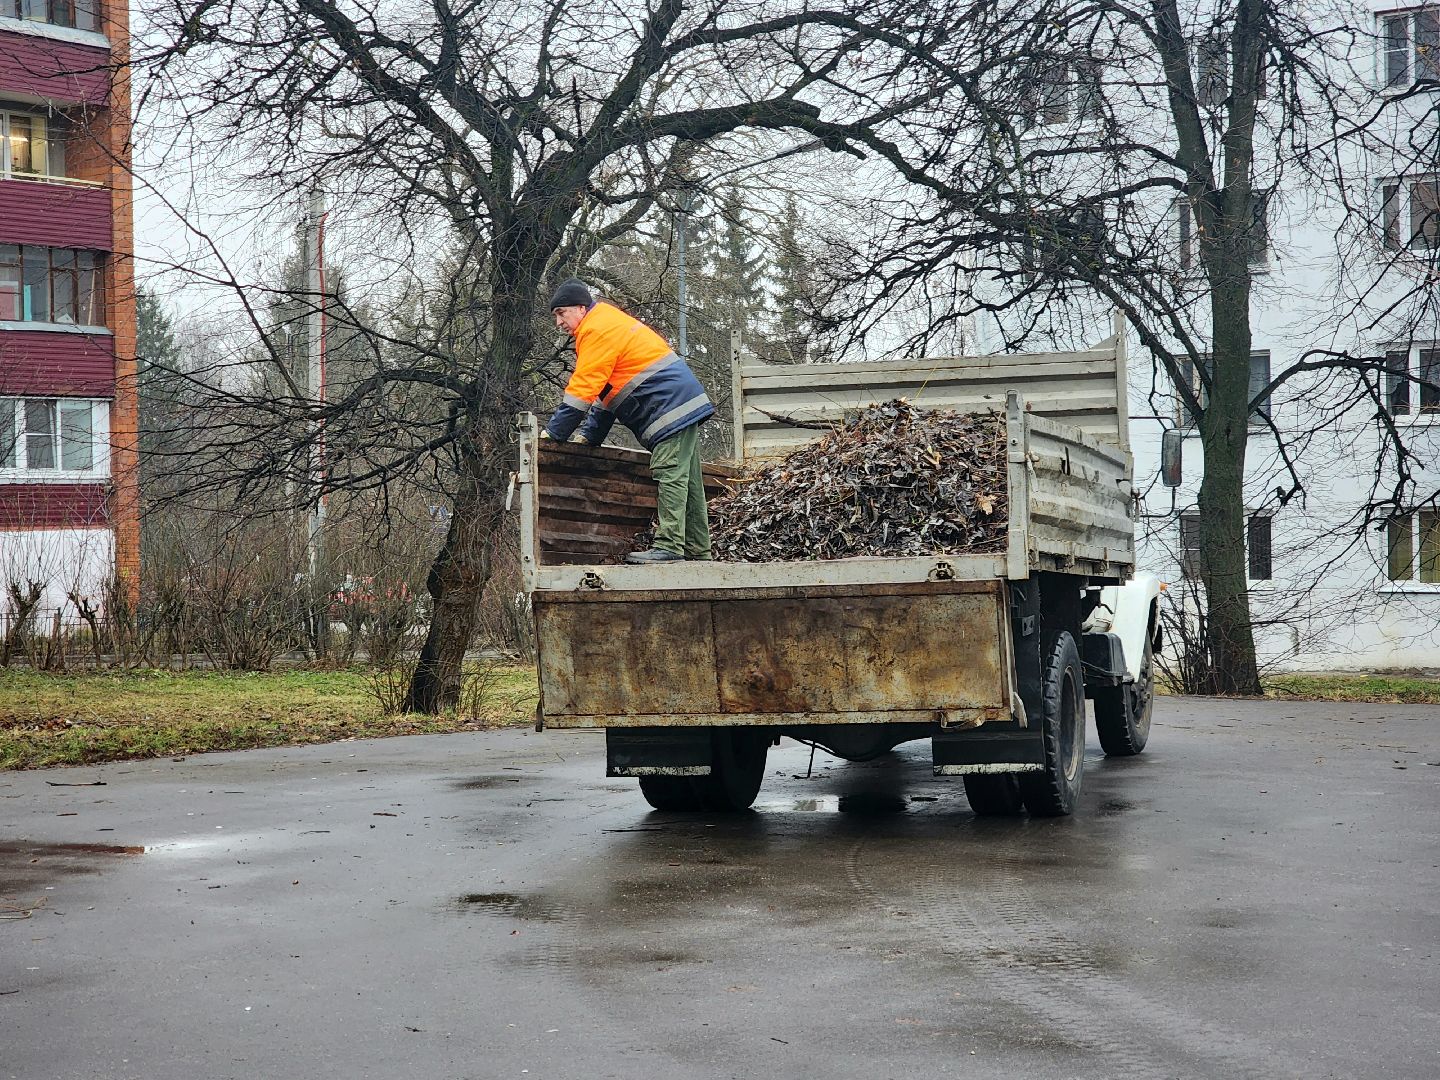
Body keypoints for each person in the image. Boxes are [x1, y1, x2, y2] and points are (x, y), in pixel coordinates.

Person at [542, 278, 714, 564]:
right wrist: (590, 437)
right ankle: (698, 551)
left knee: (668, 471)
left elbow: (582, 390)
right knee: (690, 482)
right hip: (677, 403)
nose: (559, 323)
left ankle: (670, 546)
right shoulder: (605, 322)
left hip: (668, 406)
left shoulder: (596, 329)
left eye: (561, 313)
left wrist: (553, 435)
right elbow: (606, 391)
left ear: (581, 308)